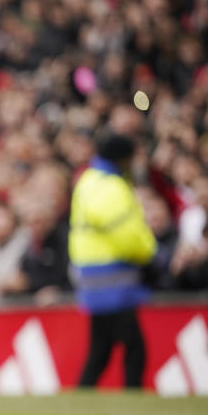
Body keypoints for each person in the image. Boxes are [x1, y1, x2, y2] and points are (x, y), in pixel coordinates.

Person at [69, 133, 157, 388]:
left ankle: (83, 394)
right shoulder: (110, 186)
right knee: (133, 345)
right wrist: (150, 253)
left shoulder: (89, 180)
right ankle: (132, 390)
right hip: (112, 277)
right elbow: (125, 233)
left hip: (94, 276)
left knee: (101, 347)